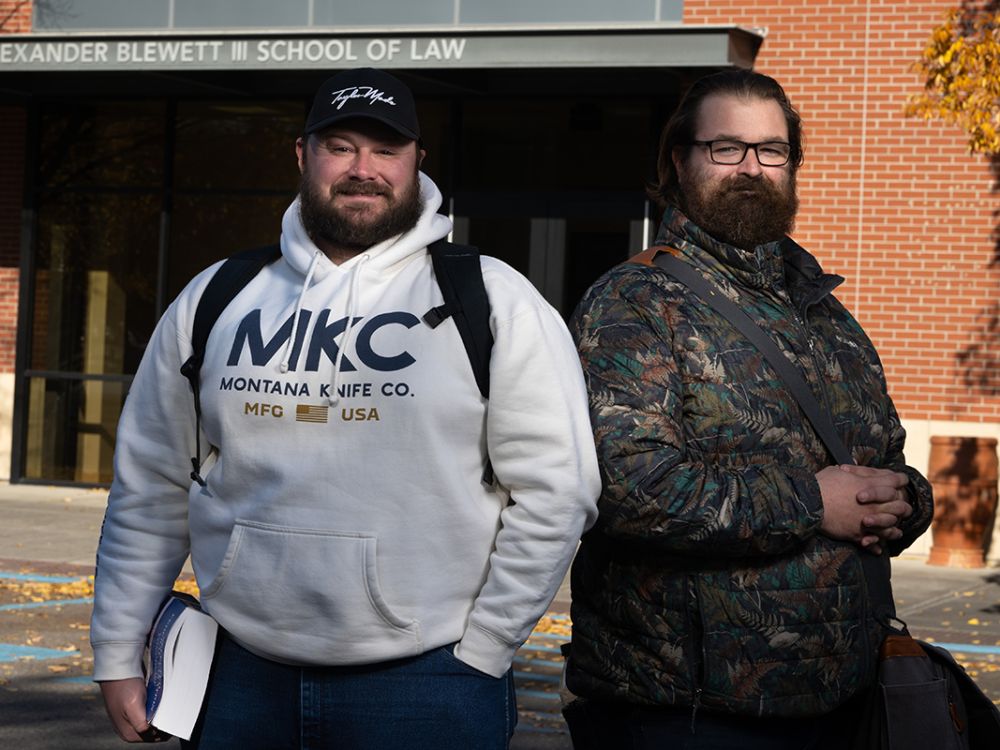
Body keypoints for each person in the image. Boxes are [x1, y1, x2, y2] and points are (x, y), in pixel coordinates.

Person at [91, 67, 600, 748]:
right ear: (302, 155)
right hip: (239, 678)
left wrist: (486, 647)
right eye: (340, 146)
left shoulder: (493, 300)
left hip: (428, 684)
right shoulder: (219, 296)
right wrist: (119, 650)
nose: (364, 169)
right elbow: (149, 485)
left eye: (386, 149)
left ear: (418, 162)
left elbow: (559, 490)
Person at [563, 69, 934, 749]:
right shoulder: (636, 302)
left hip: (844, 697)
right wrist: (811, 503)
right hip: (689, 711)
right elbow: (628, 489)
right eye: (726, 148)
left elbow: (883, 459)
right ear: (679, 160)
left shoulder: (824, 310)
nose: (751, 169)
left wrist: (906, 500)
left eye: (771, 150)